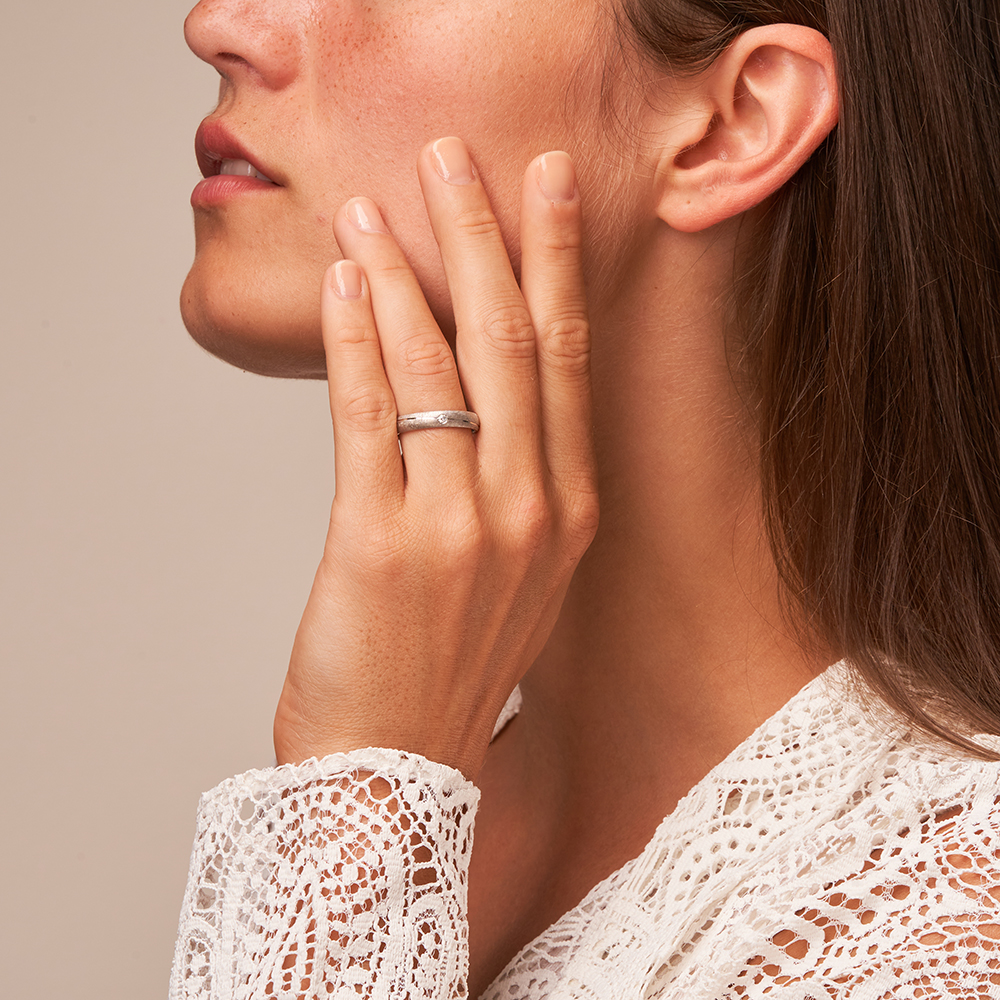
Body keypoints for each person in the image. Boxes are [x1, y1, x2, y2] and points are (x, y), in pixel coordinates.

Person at [170, 0, 1000, 996]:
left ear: (733, 123)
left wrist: (351, 803)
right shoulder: (435, 772)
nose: (219, 24)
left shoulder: (942, 932)